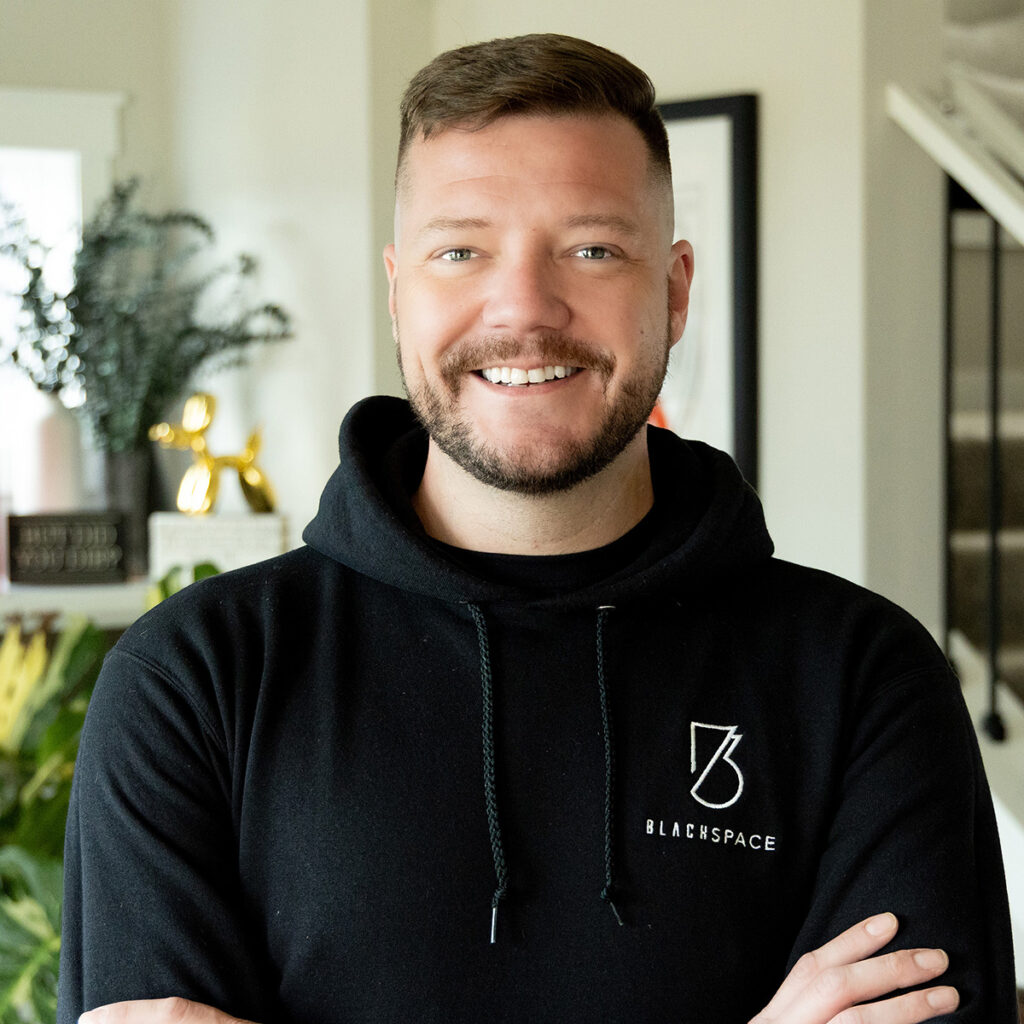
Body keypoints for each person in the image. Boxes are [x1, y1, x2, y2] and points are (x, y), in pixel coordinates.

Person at [58, 33, 1016, 1024]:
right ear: (398, 290)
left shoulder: (861, 678)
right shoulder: (196, 681)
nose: (522, 306)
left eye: (590, 248)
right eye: (460, 250)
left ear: (676, 290)